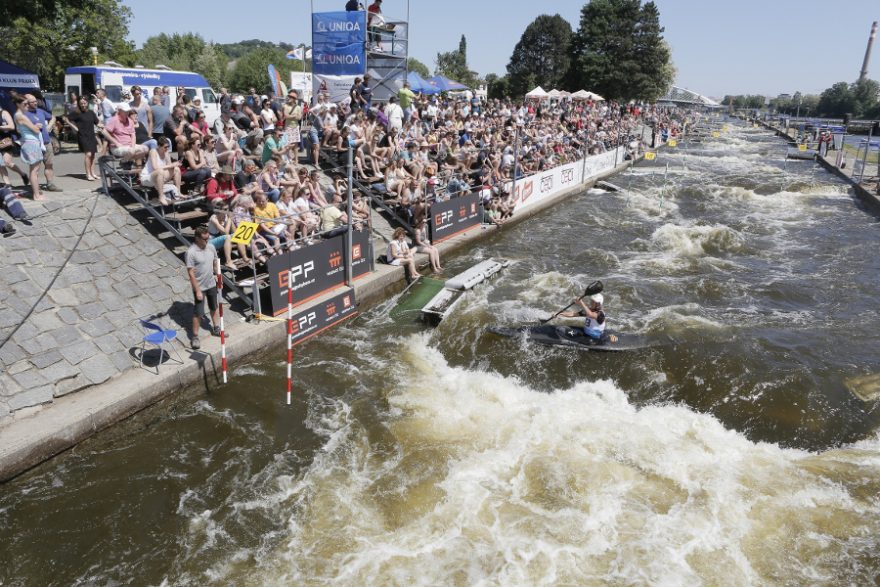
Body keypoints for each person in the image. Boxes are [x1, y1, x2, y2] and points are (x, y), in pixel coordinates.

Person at [186, 225, 224, 350]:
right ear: (197, 238)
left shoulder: (211, 247)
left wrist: (219, 277)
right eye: (205, 239)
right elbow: (191, 273)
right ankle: (195, 337)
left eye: (208, 238)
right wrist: (197, 290)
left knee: (214, 307)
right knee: (198, 313)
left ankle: (216, 328)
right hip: (200, 287)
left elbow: (215, 263)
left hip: (211, 284)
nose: (207, 241)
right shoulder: (191, 252)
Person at [24, 94, 61, 192]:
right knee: (35, 167)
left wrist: (49, 126)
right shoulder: (23, 114)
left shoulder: (40, 111)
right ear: (26, 103)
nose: (36, 103)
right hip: (34, 144)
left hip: (46, 142)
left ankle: (50, 184)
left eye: (36, 101)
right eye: (33, 102)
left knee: (49, 164)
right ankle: (36, 188)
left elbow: (53, 117)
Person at [13, 93, 45, 200]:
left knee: (34, 170)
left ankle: (36, 193)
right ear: (18, 104)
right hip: (31, 143)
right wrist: (37, 126)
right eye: (25, 104)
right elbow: (35, 130)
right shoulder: (21, 116)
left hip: (28, 142)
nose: (27, 106)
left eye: (27, 104)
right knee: (34, 170)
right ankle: (36, 195)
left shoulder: (16, 115)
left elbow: (18, 130)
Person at [64, 96, 101, 180]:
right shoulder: (76, 113)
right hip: (82, 135)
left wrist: (104, 126)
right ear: (79, 104)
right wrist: (74, 127)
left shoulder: (91, 112)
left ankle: (93, 173)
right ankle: (88, 174)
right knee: (88, 154)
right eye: (81, 104)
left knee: (93, 155)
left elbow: (98, 123)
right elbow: (66, 118)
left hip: (91, 135)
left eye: (84, 103)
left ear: (87, 103)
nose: (83, 105)